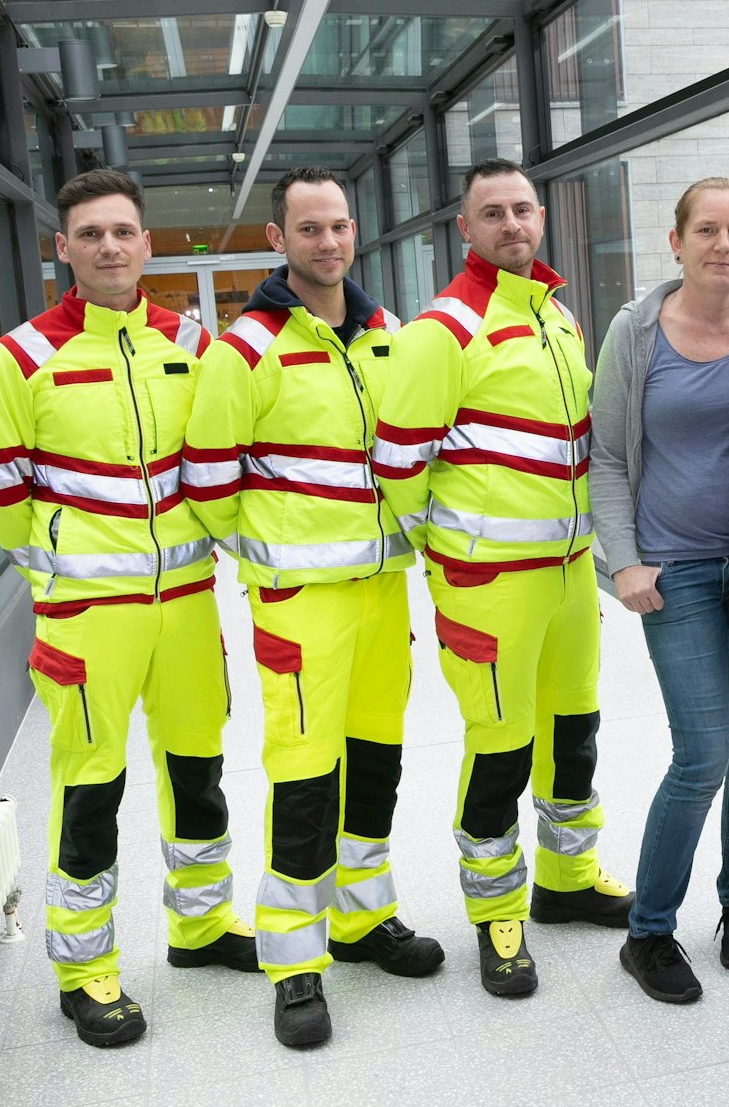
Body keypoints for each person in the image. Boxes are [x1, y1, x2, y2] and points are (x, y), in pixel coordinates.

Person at [0, 168, 255, 1048]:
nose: (109, 247)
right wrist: (64, 572)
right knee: (90, 788)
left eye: (123, 231)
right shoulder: (21, 357)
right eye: (89, 234)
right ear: (64, 248)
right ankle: (86, 971)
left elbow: (217, 458)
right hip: (89, 617)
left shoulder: (194, 345)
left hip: (187, 607)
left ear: (147, 242)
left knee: (198, 770)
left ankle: (201, 928)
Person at [183, 166, 442, 1047]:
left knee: (376, 761)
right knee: (302, 774)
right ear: (277, 239)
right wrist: (270, 550)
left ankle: (364, 919)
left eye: (338, 226)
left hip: (381, 591)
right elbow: (209, 480)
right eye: (308, 229)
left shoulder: (387, 335)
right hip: (300, 602)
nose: (327, 242)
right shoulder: (244, 349)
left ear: (353, 233)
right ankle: (294, 960)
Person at [373, 158, 633, 997]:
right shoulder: (442, 330)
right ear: (466, 227)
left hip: (567, 576)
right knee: (501, 747)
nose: (512, 223)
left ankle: (565, 880)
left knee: (573, 732)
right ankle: (497, 914)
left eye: (523, 208)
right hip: (490, 585)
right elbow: (398, 465)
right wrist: (455, 552)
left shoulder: (556, 316)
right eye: (494, 212)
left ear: (541, 217)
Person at [589, 178, 729, 1004]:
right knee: (703, 749)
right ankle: (650, 930)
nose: (724, 244)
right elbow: (603, 455)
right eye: (707, 228)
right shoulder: (636, 330)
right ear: (676, 241)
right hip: (673, 574)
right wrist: (625, 561)